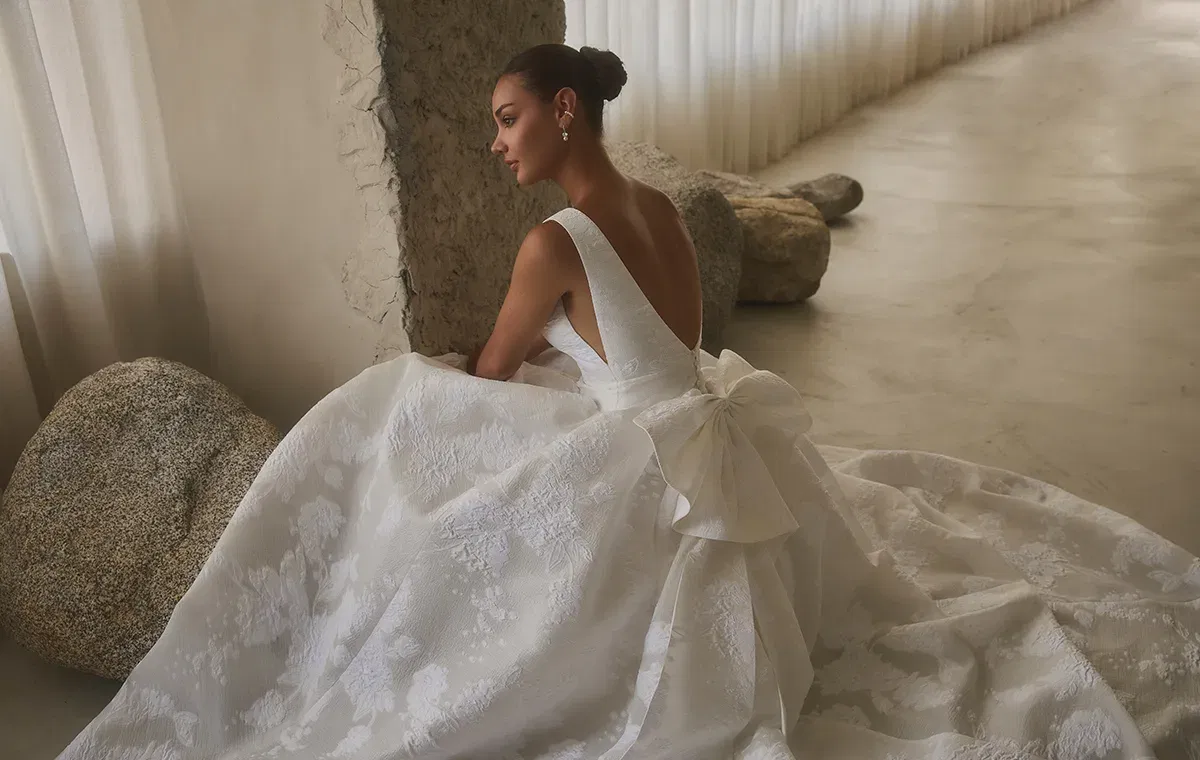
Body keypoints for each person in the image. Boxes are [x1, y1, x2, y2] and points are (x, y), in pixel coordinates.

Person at [59, 44, 1198, 760]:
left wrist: (477, 371)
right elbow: (667, 349)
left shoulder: (554, 242)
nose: (497, 143)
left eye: (508, 118)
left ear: (563, 110)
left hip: (647, 460)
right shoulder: (658, 205)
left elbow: (493, 368)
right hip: (704, 418)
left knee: (399, 400)